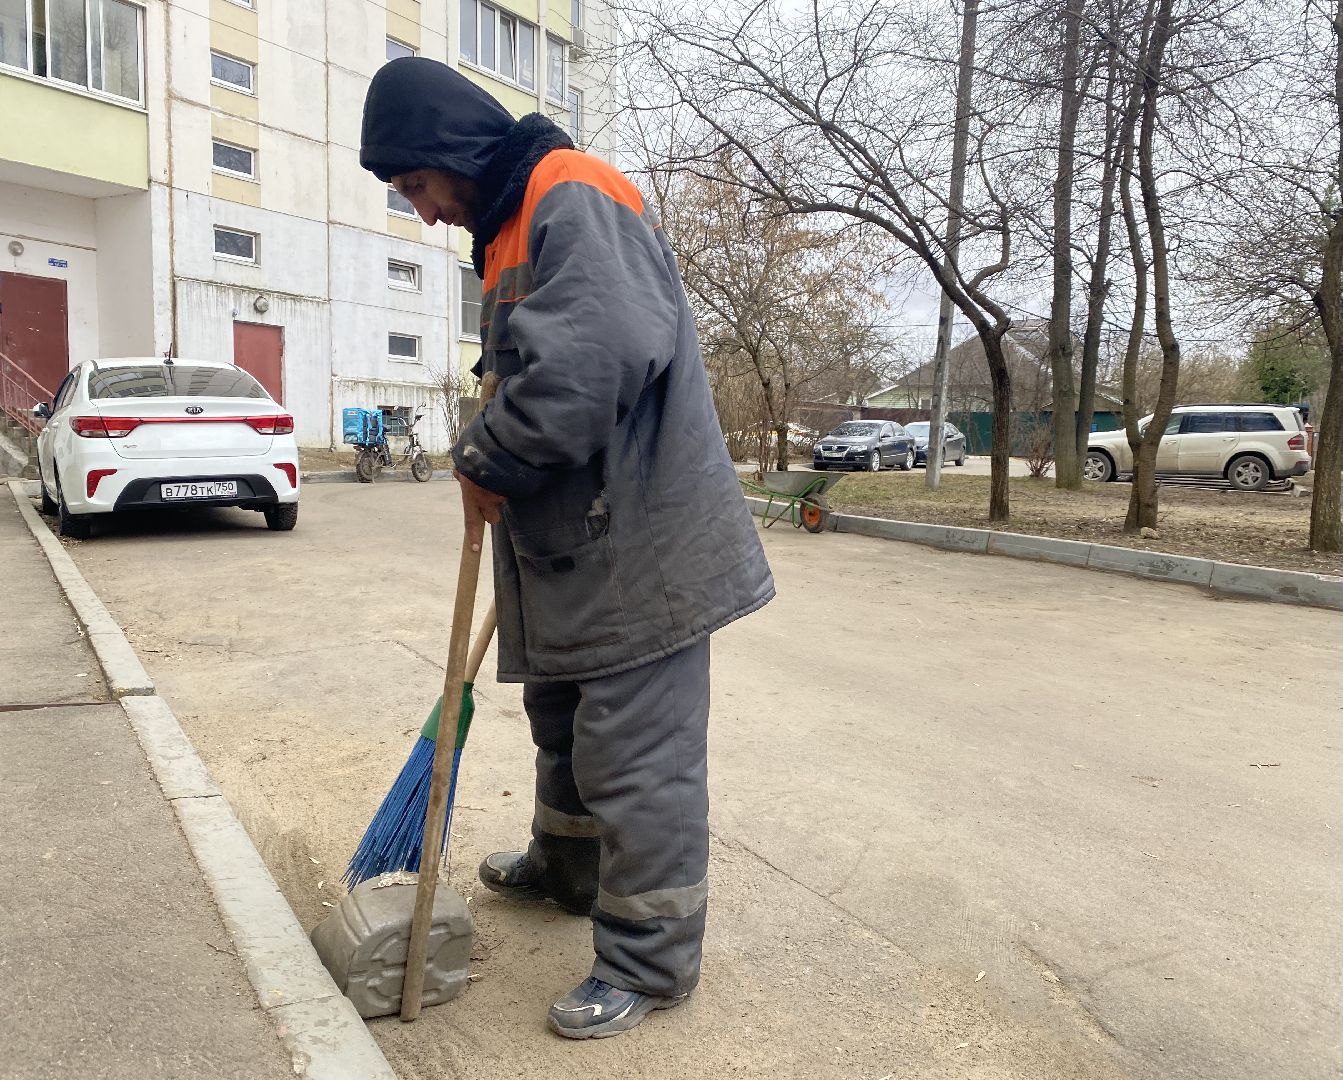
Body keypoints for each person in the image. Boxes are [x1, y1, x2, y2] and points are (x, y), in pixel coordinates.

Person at [360, 58, 774, 1039]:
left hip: (640, 551)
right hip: (574, 549)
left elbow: (593, 361)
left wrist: (485, 457)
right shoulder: (507, 223)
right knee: (564, 729)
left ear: (455, 150)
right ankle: (566, 870)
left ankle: (648, 962)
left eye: (418, 184)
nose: (423, 213)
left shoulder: (571, 192)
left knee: (637, 759)